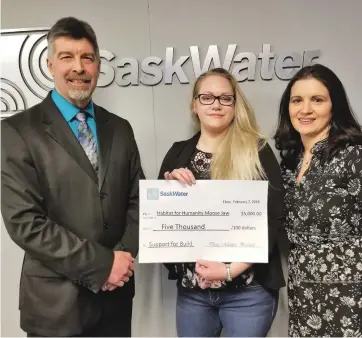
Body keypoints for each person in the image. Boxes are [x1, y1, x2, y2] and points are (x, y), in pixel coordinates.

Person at [1, 17, 145, 337]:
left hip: (116, 301)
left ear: (97, 66)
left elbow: (138, 201)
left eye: (87, 57)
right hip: (56, 308)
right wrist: (103, 264)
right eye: (67, 57)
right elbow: (26, 223)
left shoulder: (120, 129)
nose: (78, 67)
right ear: (50, 65)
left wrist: (122, 259)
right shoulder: (17, 132)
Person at [158, 67, 285, 337]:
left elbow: (273, 217)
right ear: (194, 105)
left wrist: (229, 270)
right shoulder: (177, 153)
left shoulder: (257, 150)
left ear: (235, 105)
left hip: (248, 293)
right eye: (207, 97)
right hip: (194, 293)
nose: (216, 104)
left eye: (225, 98)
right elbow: (161, 225)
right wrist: (169, 191)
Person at [274, 64, 362, 337]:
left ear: (334, 105)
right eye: (297, 100)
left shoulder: (354, 155)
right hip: (303, 289)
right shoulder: (289, 160)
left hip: (351, 292)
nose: (305, 109)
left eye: (318, 100)